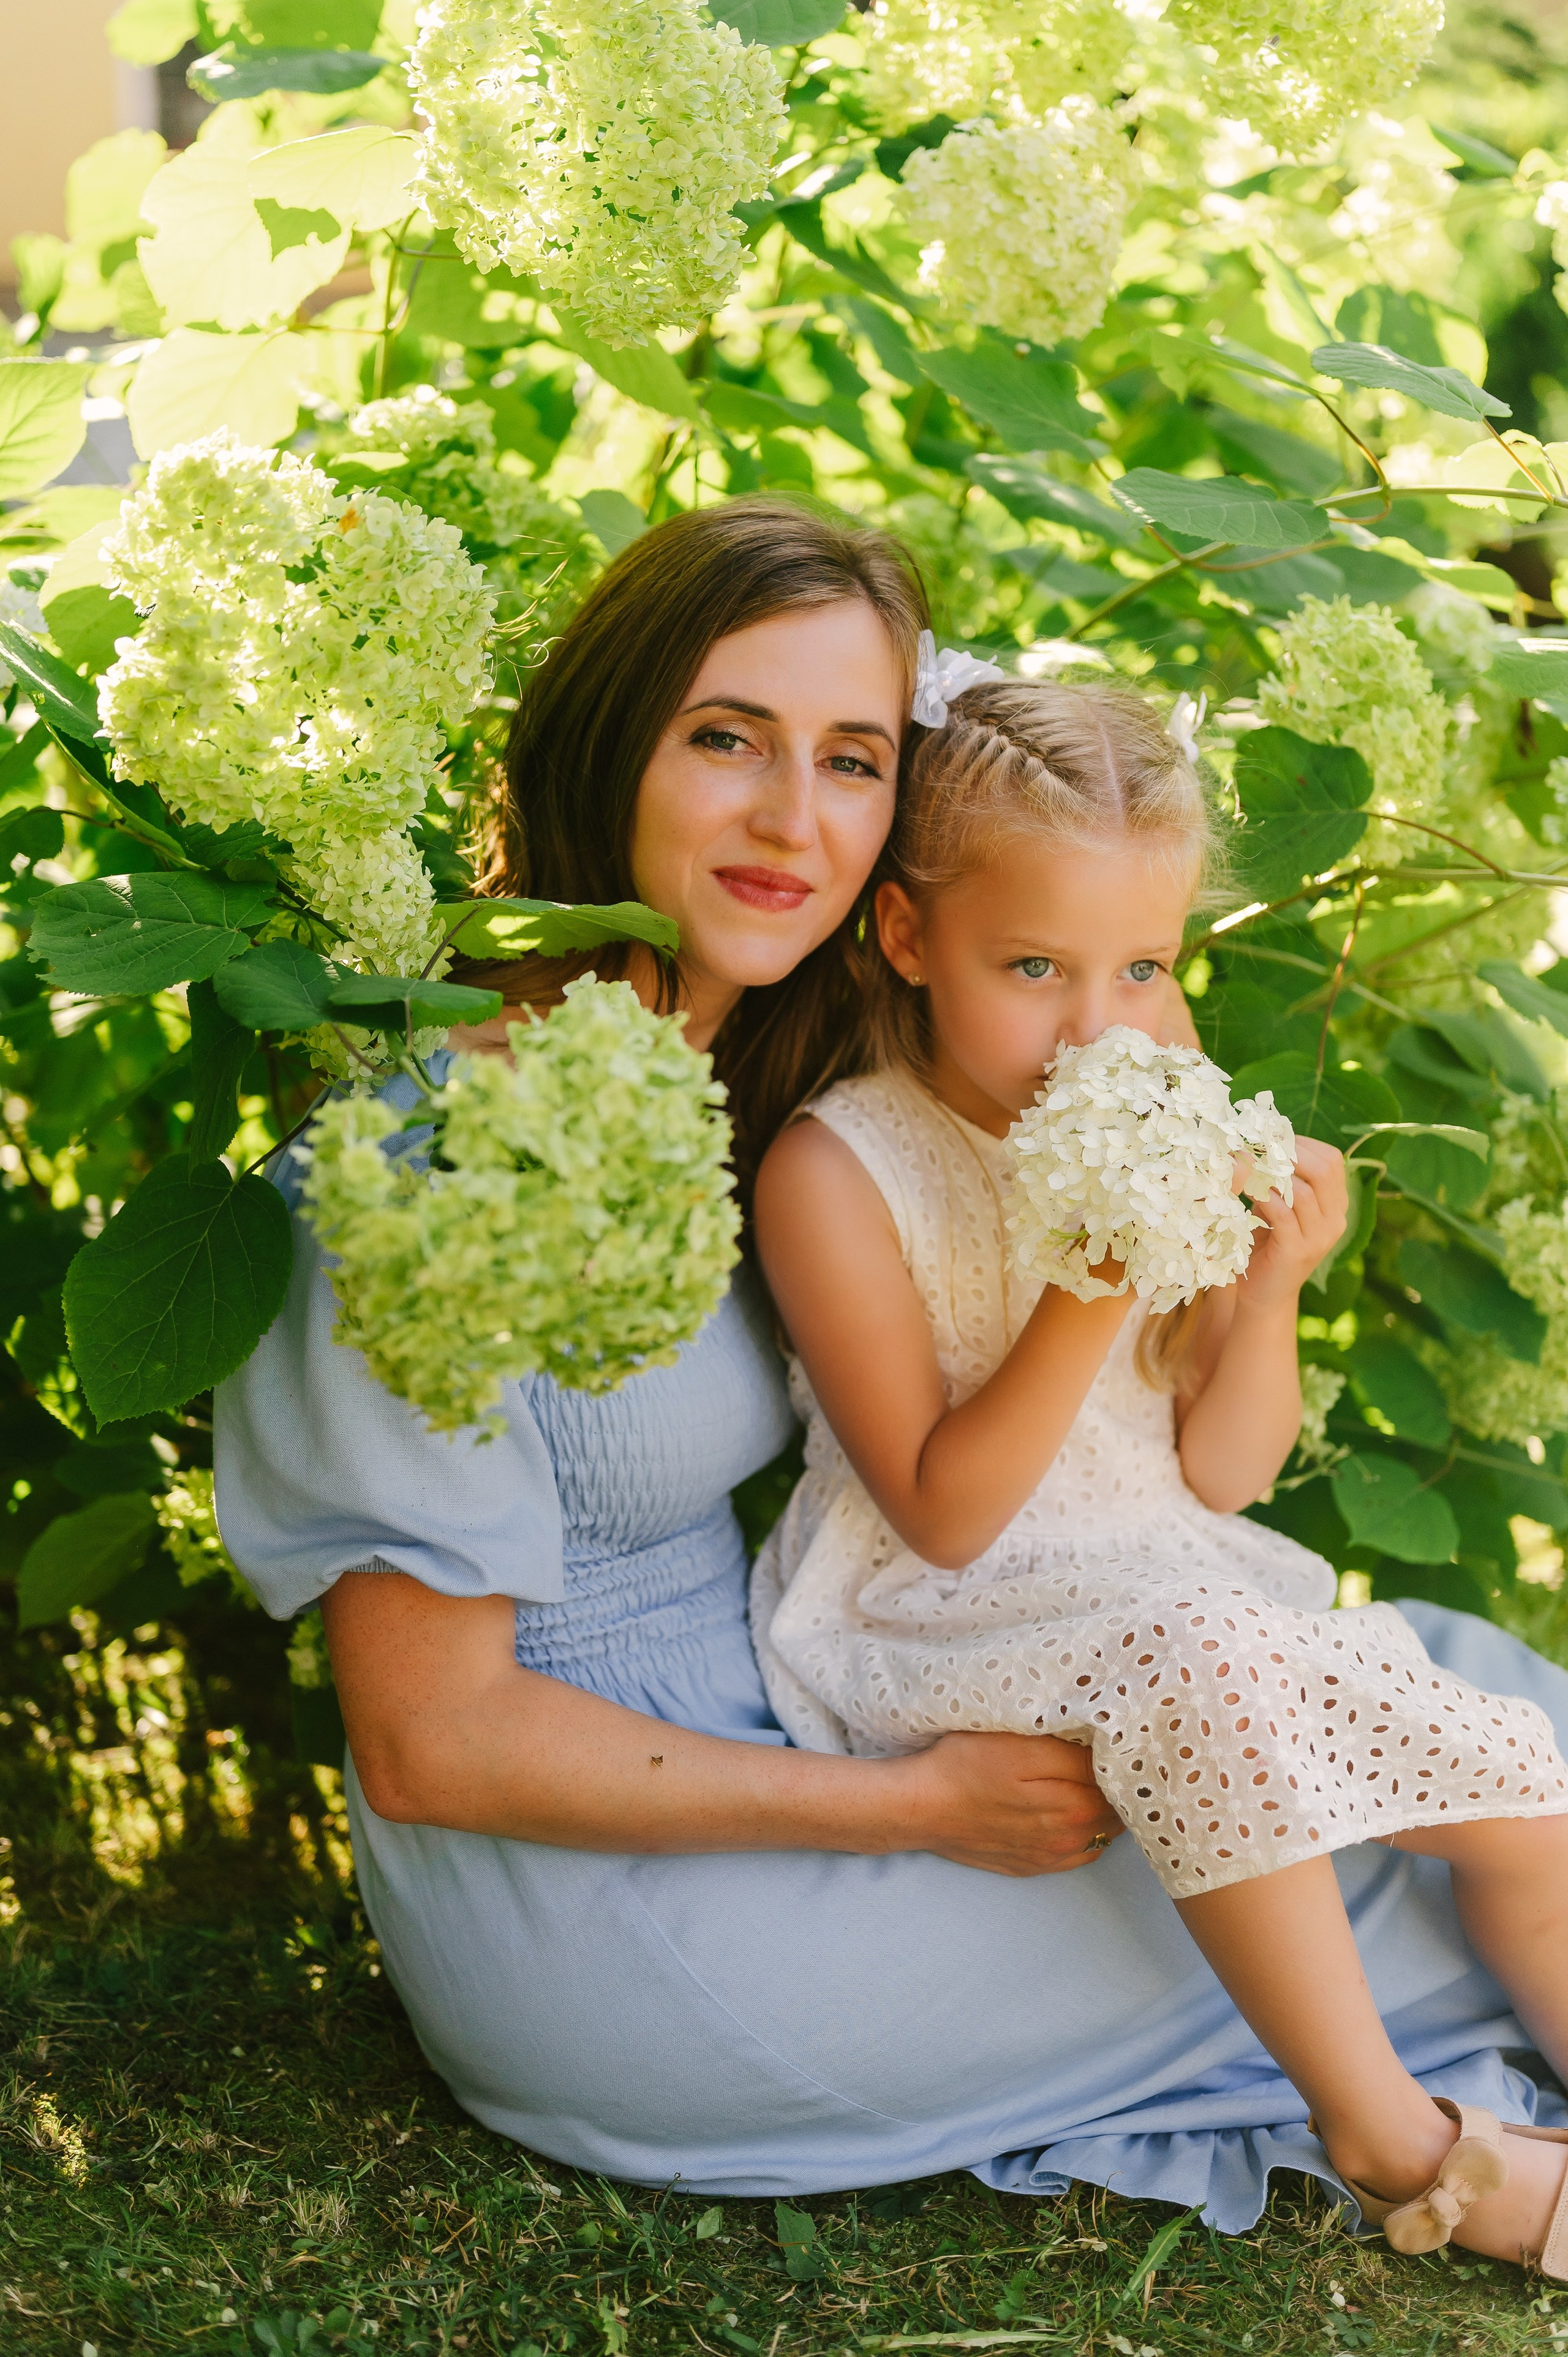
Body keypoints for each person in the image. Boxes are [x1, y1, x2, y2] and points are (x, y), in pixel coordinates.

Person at [215, 502, 1568, 2233]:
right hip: (622, 1917)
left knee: (1469, 1704)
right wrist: (907, 1804)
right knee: (1389, 1847)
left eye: (852, 760)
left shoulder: (742, 1073)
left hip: (801, 1743)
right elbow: (434, 1746)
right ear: (607, 743)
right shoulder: (419, 1169)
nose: (796, 817)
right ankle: (1431, 2161)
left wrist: (1189, 1168)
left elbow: (1062, 974)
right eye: (727, 738)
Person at [750, 667, 1568, 2269]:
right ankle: (1398, 2145)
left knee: (1522, 1778)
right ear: (907, 937)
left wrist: (1266, 1289)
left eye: (1143, 967)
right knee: (1206, 1659)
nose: (1098, 1027)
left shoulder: (1153, 1081)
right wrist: (1094, 1276)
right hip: (934, 1612)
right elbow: (945, 1513)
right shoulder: (837, 1169)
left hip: (1170, 1573)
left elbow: (1229, 1473)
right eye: (1033, 966)